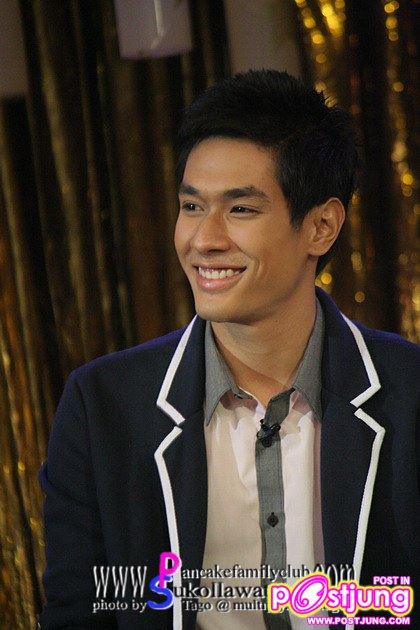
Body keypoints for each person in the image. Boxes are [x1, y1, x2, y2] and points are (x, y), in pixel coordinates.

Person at [39, 70, 419, 630]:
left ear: (321, 226)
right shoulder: (103, 406)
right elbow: (77, 614)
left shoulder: (409, 394)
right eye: (192, 207)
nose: (204, 239)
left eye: (240, 209)